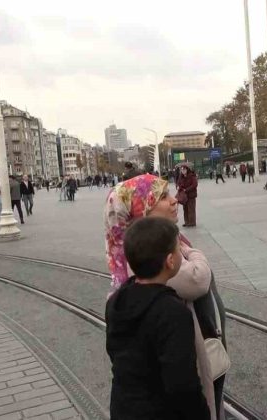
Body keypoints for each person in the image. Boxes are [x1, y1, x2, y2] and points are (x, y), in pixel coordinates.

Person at [104, 174, 226, 420]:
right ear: (142, 209)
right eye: (162, 197)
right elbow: (197, 278)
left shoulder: (121, 295)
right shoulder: (161, 287)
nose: (173, 202)